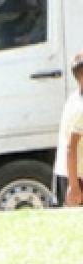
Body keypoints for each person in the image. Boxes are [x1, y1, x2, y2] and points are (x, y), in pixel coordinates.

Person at [54, 52, 83, 207]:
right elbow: (71, 148)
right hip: (76, 177)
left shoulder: (74, 97)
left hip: (68, 172)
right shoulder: (81, 109)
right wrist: (74, 187)